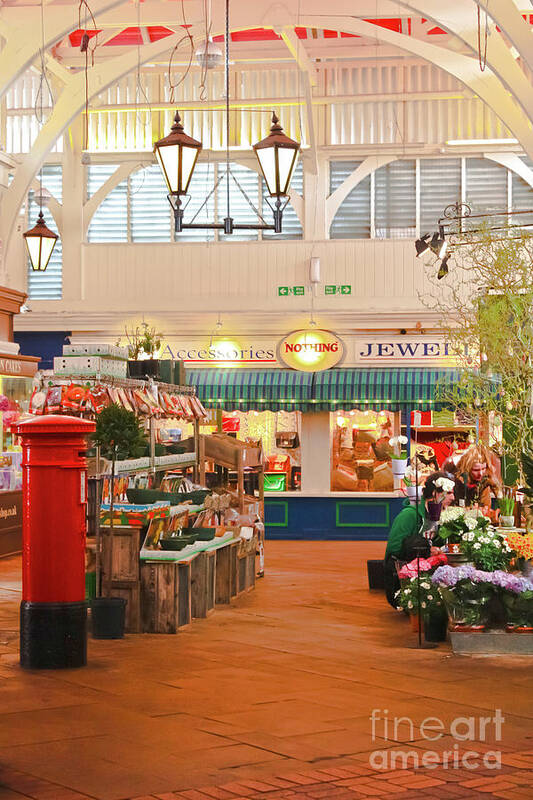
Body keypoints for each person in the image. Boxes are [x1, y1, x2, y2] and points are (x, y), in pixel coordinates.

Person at [384, 471, 456, 608]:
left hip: (428, 572)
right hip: (403, 579)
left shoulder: (445, 515)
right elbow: (394, 548)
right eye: (449, 493)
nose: (453, 497)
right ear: (436, 493)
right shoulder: (409, 515)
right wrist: (426, 550)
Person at [453, 444, 501, 509]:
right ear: (468, 469)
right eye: (476, 470)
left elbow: (500, 496)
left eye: (483, 468)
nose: (480, 473)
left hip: (483, 509)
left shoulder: (488, 475)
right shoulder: (459, 478)